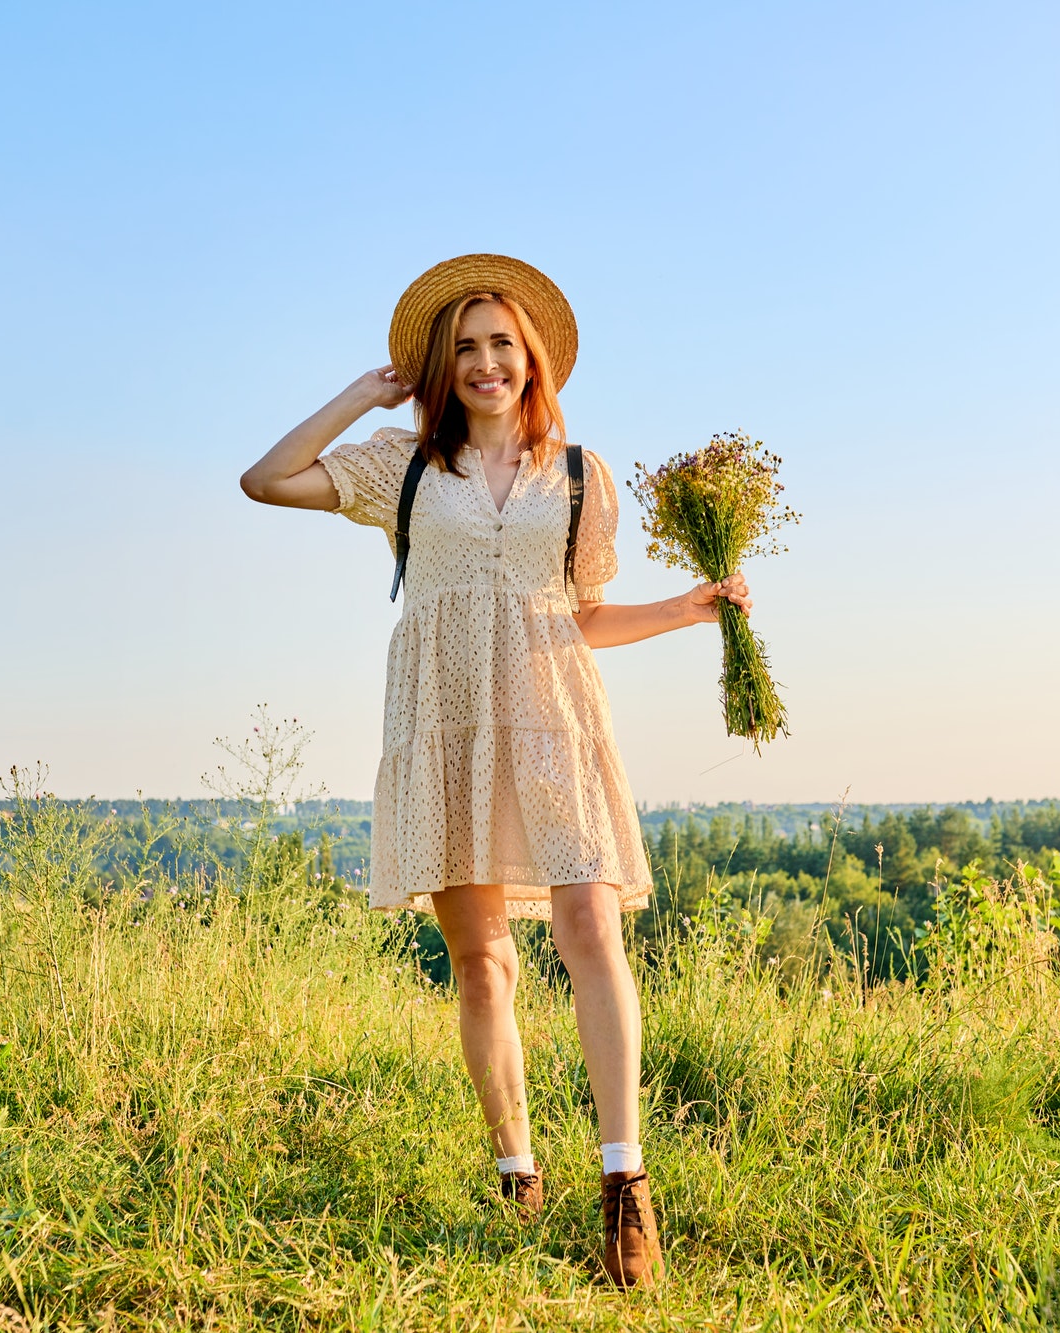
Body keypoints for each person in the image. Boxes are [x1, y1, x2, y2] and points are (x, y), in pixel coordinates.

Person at [239, 254, 753, 1289]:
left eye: (500, 346)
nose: (483, 363)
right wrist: (361, 392)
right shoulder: (402, 467)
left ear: (532, 361)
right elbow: (265, 479)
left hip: (552, 717)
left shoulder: (578, 476)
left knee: (588, 925)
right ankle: (517, 1166)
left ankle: (624, 1181)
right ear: (442, 363)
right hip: (444, 723)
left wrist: (689, 609)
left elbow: (585, 615)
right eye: (464, 347)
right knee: (480, 961)